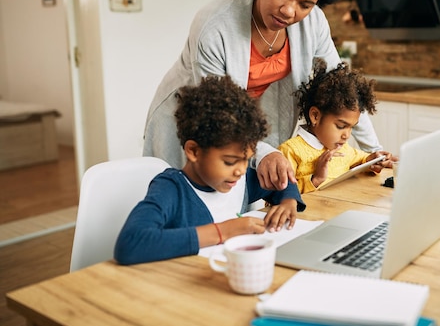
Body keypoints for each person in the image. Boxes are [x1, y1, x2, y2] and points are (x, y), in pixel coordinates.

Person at [142, 0, 385, 192]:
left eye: (305, 4)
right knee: (185, 202)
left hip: (243, 124)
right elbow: (218, 110)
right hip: (193, 118)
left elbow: (347, 92)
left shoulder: (313, 22)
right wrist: (264, 151)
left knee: (243, 201)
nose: (290, 11)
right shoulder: (215, 26)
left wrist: (374, 150)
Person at [115, 76, 305, 265]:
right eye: (230, 161)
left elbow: (281, 182)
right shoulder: (171, 189)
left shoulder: (237, 180)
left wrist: (288, 202)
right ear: (194, 151)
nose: (241, 170)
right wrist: (222, 231)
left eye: (247, 160)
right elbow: (130, 244)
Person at [278, 60, 394, 193]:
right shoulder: (289, 151)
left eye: (352, 128)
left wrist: (373, 160)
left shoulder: (343, 148)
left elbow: (361, 159)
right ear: (315, 116)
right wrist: (316, 179)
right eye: (340, 126)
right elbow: (278, 197)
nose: (347, 135)